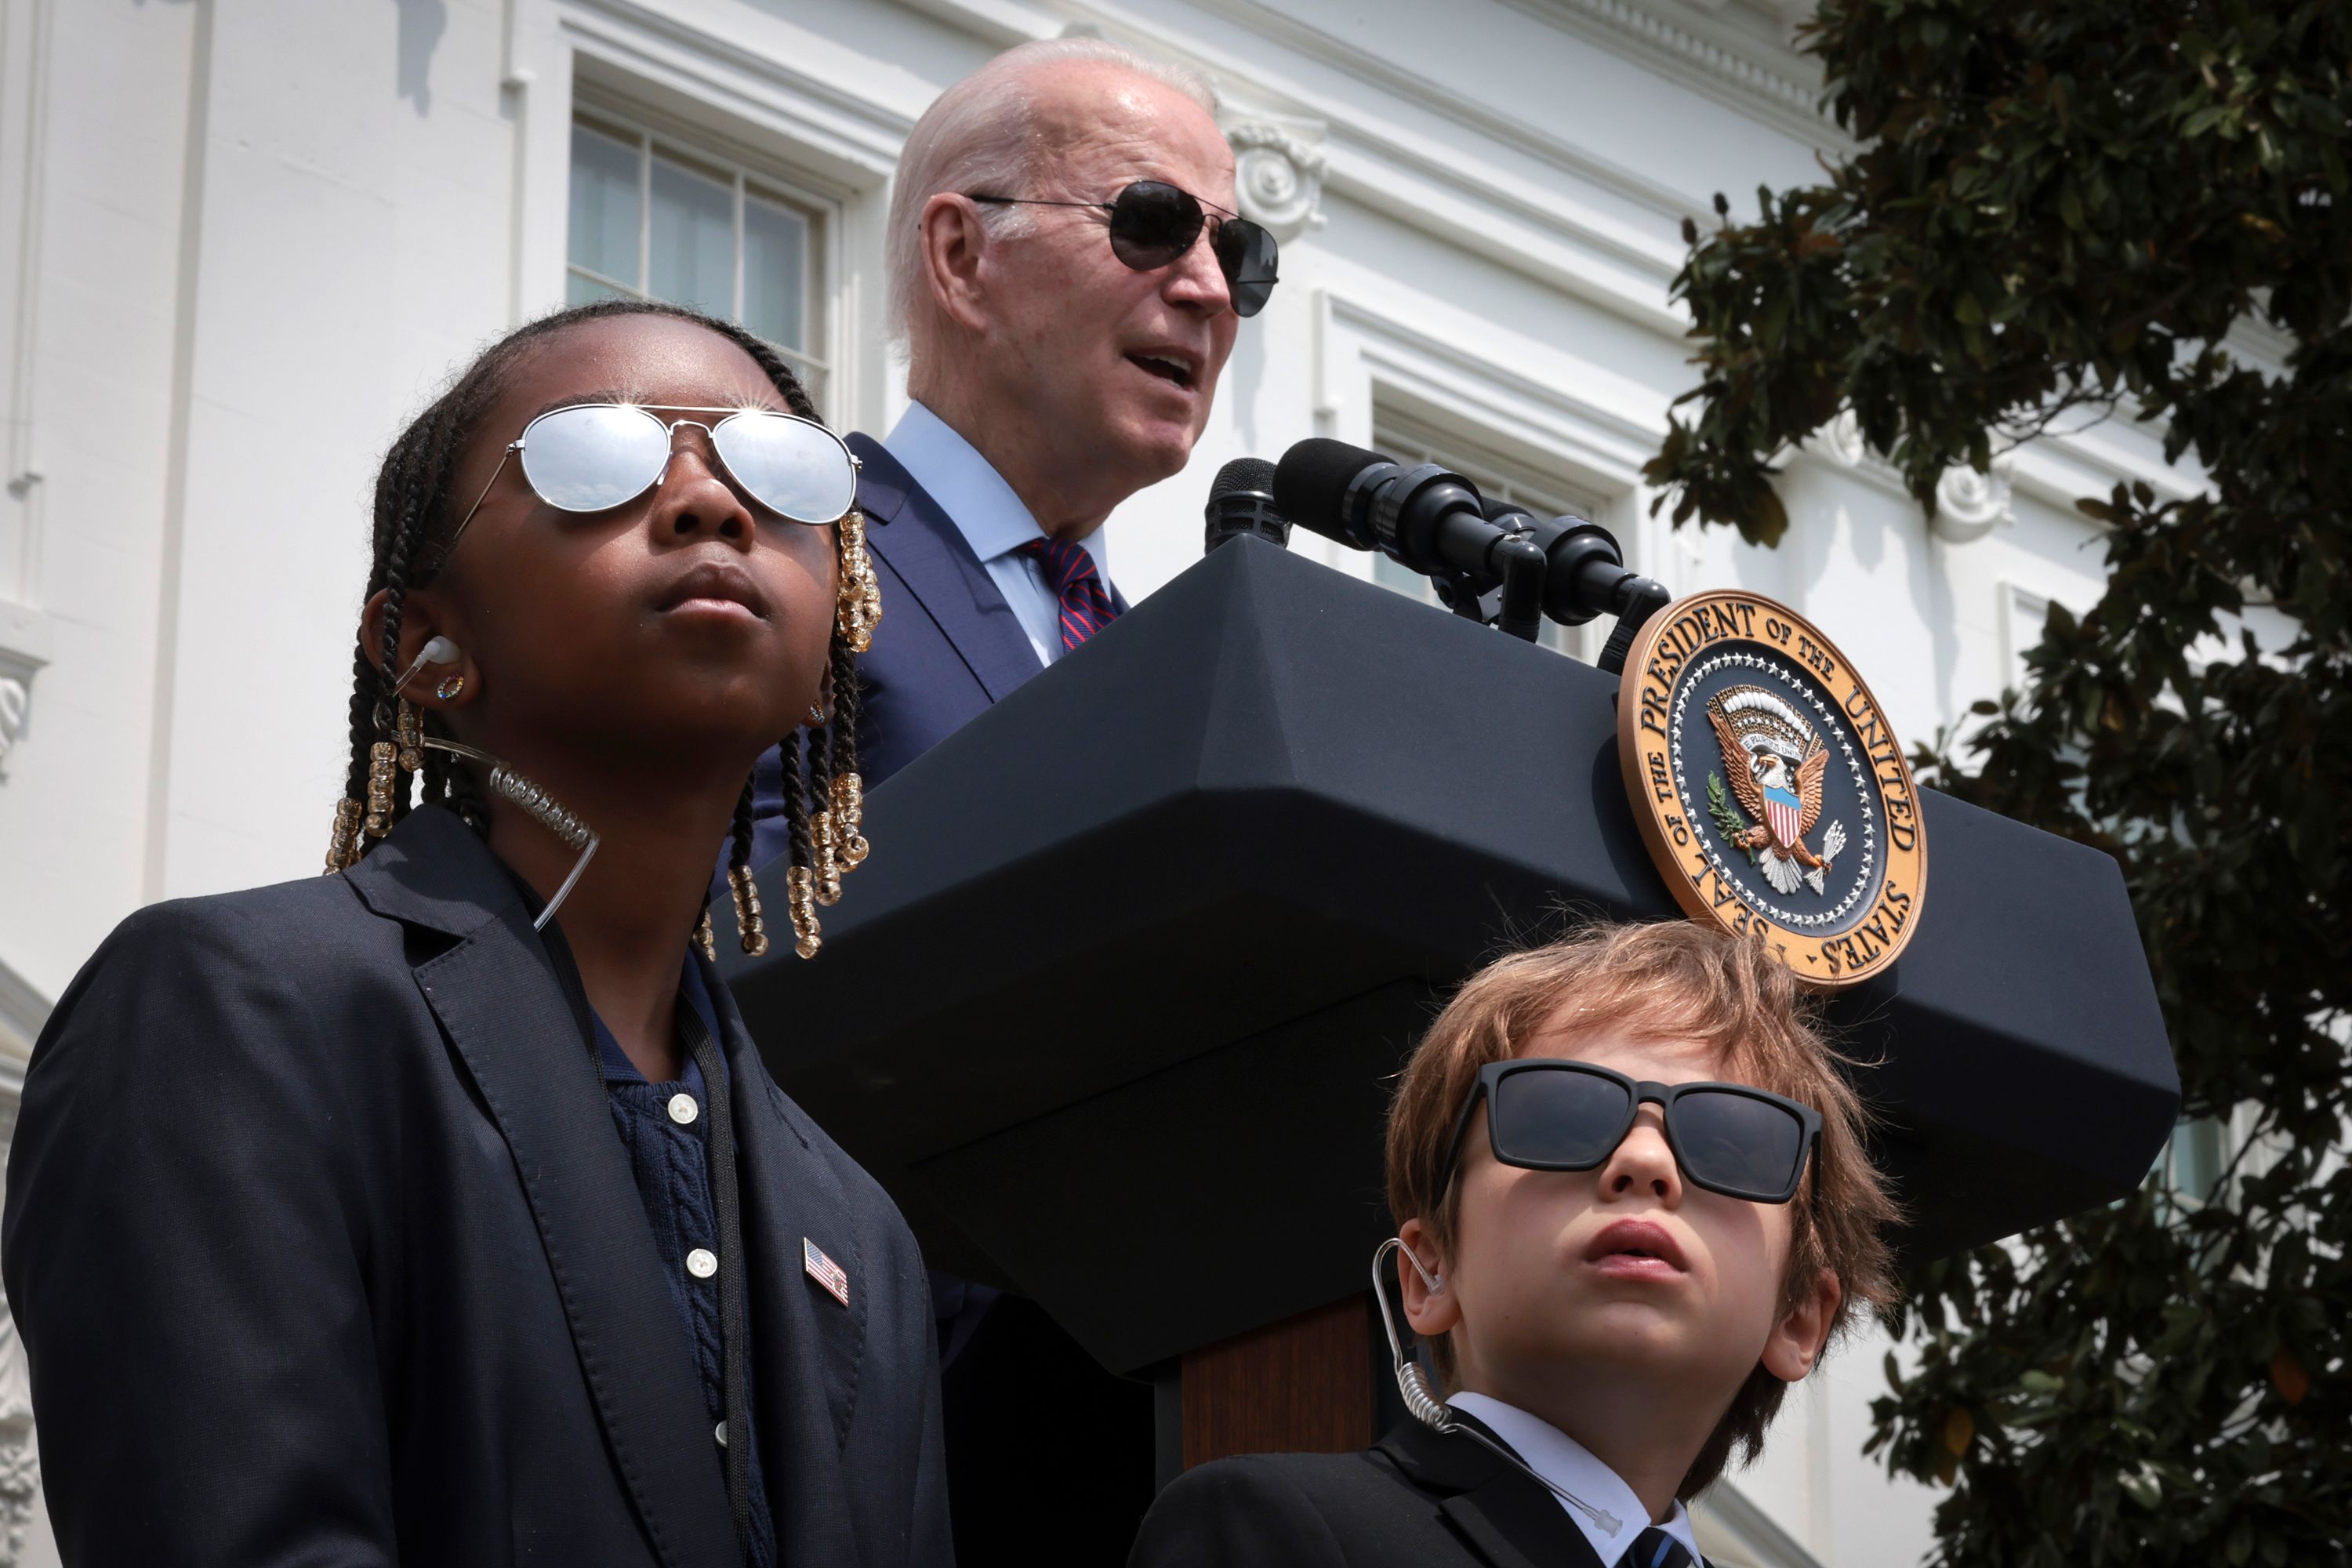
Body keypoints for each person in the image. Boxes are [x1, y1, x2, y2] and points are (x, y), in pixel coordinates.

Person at [3, 299, 949, 1566]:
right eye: (594, 459)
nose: (709, 504)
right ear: (423, 646)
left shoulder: (863, 1235)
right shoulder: (235, 1017)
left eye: (777, 469)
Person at [731, 37, 1278, 1563]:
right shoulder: (785, 554)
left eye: (1242, 253)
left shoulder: (1173, 662)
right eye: (1155, 224)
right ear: (962, 255)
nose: (1213, 291)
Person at [1129, 921, 1901, 1568]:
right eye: (1559, 1117)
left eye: (1733, 1139)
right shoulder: (1279, 1532)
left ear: (1799, 1316)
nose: (1643, 1161)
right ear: (1429, 1270)